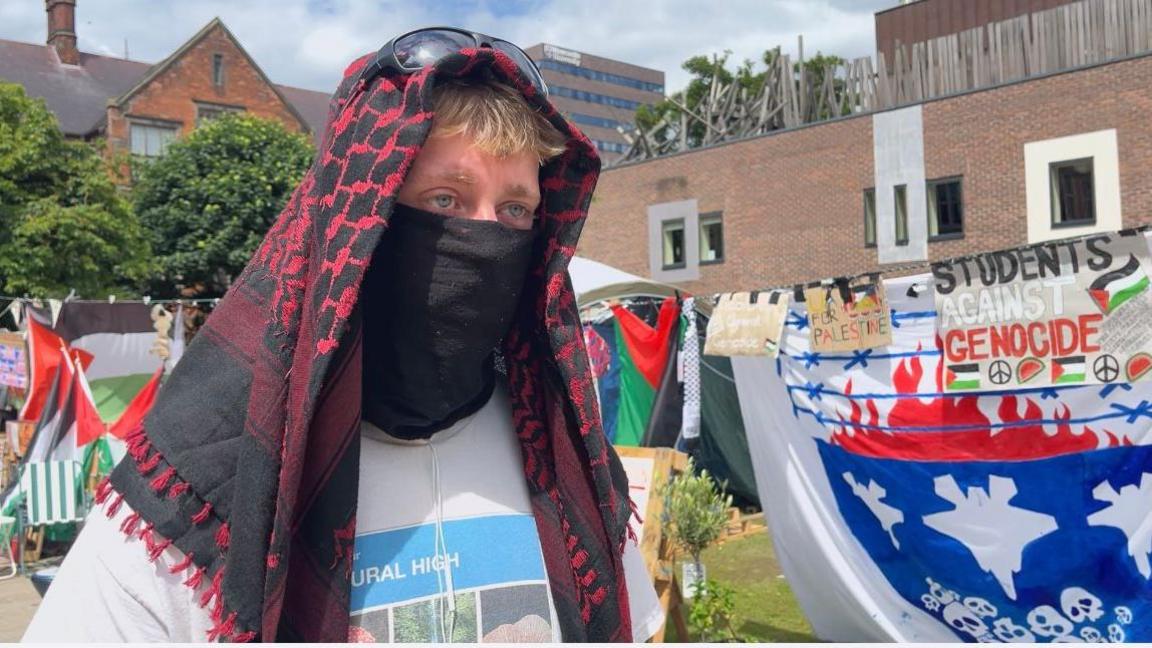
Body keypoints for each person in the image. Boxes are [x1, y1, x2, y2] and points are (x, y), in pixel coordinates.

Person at [23, 28, 663, 643]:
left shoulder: (561, 455)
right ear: (360, 224)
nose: (487, 237)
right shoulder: (201, 484)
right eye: (443, 200)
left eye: (516, 210)